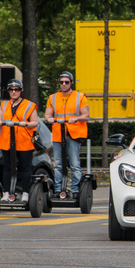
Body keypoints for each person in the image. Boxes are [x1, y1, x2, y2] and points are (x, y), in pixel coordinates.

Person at [44, 71, 90, 199]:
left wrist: (76, 118)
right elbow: (47, 114)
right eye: (61, 82)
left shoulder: (80, 97)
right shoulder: (52, 97)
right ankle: (59, 190)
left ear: (71, 83)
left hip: (74, 134)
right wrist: (49, 119)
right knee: (58, 163)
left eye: (66, 82)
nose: (64, 85)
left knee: (74, 164)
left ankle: (75, 189)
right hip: (59, 133)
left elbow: (86, 115)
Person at [0, 79, 39, 203]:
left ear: (21, 90)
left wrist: (26, 124)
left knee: (25, 167)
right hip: (7, 141)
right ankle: (7, 192)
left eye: (17, 89)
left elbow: (35, 122)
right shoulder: (4, 105)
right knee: (8, 167)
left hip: (24, 141)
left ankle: (25, 193)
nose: (14, 92)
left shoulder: (29, 105)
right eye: (11, 90)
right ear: (8, 91)